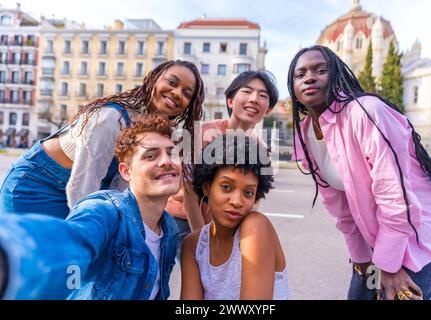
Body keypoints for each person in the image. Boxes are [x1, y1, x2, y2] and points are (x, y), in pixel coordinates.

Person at [287, 45, 431, 300]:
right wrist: (362, 257)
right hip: (379, 236)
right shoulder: (307, 134)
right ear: (293, 87)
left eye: (320, 70)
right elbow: (340, 205)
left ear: (337, 76)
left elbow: (394, 196)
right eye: (300, 74)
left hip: (419, 232)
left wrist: (389, 266)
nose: (309, 77)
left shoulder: (366, 112)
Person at [0, 114, 180, 299]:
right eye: (151, 155)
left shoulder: (169, 230)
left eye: (172, 153)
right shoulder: (106, 212)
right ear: (126, 172)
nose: (166, 161)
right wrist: (9, 255)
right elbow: (72, 239)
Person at [0, 60, 204, 219]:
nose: (177, 93)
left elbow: (120, 186)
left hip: (79, 192)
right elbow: (82, 185)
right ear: (154, 79)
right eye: (171, 82)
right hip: (37, 185)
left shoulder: (151, 129)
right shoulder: (110, 118)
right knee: (44, 265)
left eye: (187, 93)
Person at [180, 134, 291, 300]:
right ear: (206, 187)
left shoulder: (255, 227)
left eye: (248, 193)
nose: (237, 202)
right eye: (226, 187)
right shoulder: (193, 245)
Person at [180, 70, 279, 234]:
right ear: (231, 101)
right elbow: (189, 195)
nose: (254, 99)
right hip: (186, 222)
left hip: (225, 231)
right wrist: (201, 240)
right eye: (247, 91)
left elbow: (254, 201)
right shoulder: (203, 133)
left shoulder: (262, 150)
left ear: (268, 110)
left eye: (263, 95)